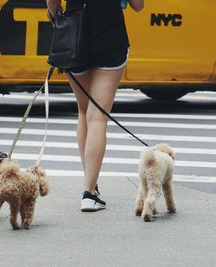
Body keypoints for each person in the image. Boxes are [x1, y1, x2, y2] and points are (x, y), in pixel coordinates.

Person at [46, 0, 144, 212]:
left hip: (74, 33)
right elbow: (138, 5)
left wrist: (53, 14)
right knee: (98, 117)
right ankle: (89, 192)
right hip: (110, 33)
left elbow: (53, 3)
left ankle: (91, 186)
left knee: (84, 112)